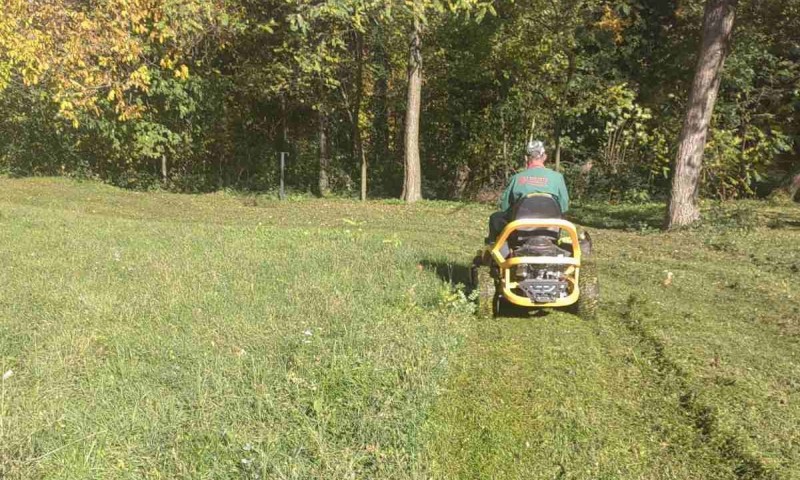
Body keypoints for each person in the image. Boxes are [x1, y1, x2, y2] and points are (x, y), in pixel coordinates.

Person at [487, 140, 569, 244]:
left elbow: (504, 207)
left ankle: (494, 252)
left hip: (519, 233)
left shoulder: (516, 179)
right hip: (550, 232)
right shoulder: (557, 178)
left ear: (526, 158)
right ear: (544, 157)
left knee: (495, 217)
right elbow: (564, 207)